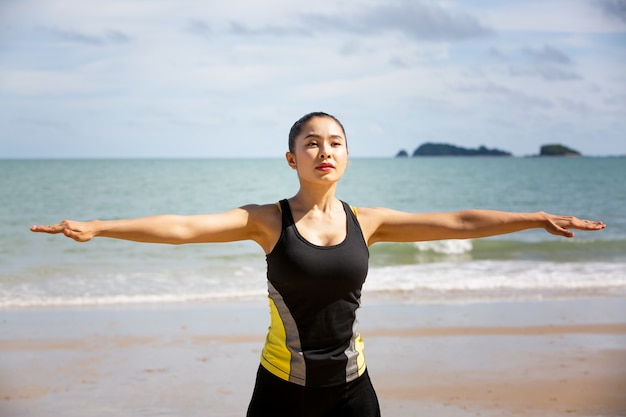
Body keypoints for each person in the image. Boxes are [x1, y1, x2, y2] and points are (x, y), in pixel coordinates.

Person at [30, 111, 606, 417]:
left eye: (334, 142)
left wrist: (532, 216)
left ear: (347, 155)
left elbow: (456, 222)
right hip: (280, 388)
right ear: (291, 157)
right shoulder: (267, 220)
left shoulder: (369, 221)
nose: (324, 150)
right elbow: (183, 228)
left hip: (353, 388)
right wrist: (101, 227)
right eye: (311, 142)